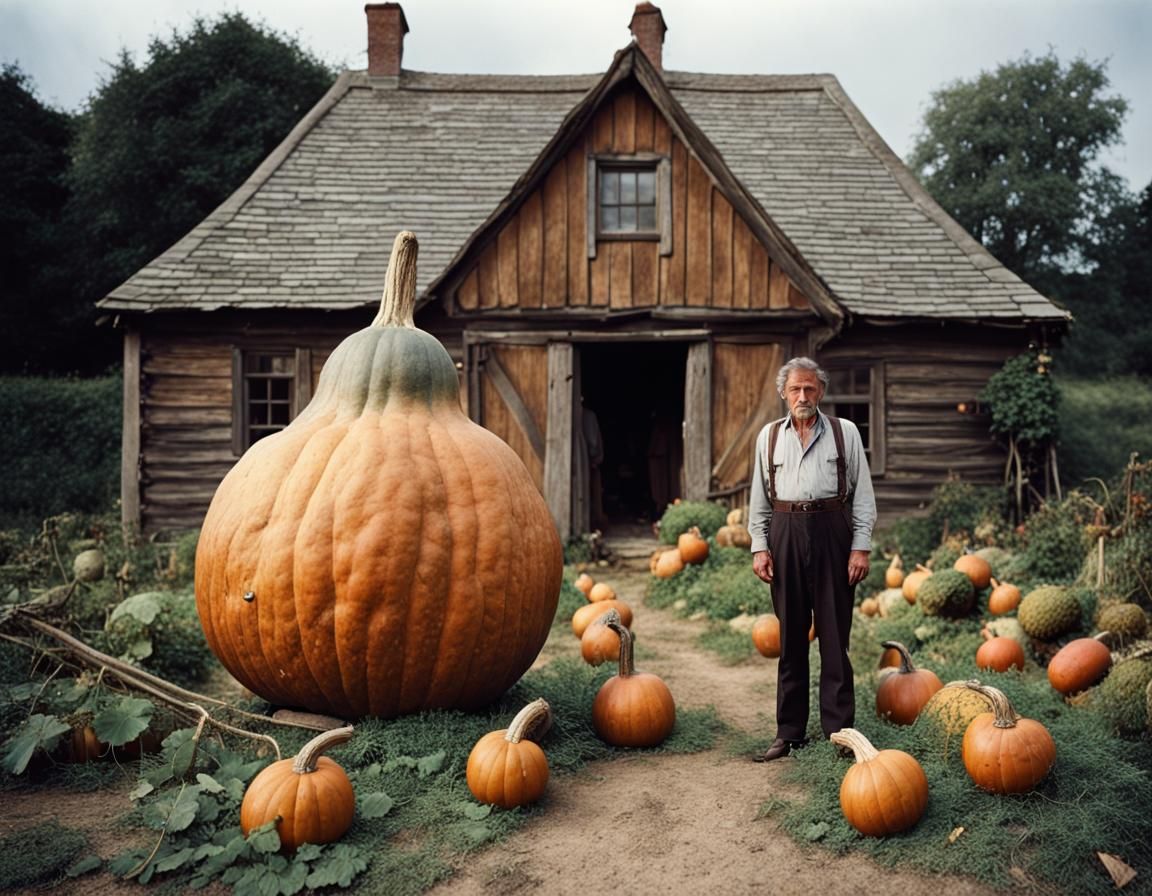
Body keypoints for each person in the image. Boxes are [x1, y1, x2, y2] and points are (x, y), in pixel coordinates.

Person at [748, 357, 876, 761]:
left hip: (833, 532)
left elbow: (863, 495)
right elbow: (759, 501)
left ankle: (839, 732)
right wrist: (759, 545)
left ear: (820, 391)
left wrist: (860, 545)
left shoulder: (846, 433)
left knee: (835, 637)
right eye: (795, 390)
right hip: (784, 532)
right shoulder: (768, 438)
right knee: (791, 639)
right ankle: (789, 732)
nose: (803, 396)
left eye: (810, 388)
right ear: (783, 394)